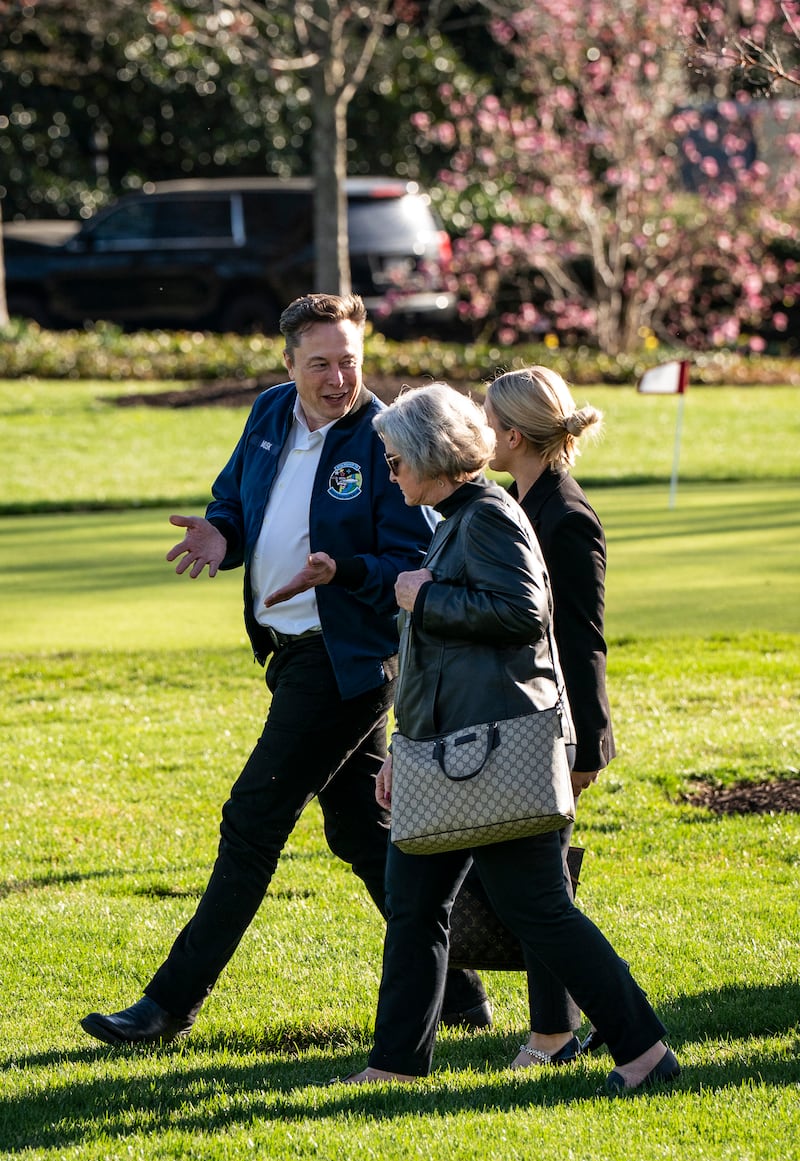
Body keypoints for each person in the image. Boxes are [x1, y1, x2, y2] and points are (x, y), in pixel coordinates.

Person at [80, 293, 488, 1046]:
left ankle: (167, 1004)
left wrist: (342, 570)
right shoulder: (270, 412)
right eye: (322, 363)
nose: (340, 379)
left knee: (253, 818)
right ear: (289, 363)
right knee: (364, 835)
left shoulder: (387, 434)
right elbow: (236, 501)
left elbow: (410, 561)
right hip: (288, 653)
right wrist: (220, 534)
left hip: (346, 664)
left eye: (351, 362)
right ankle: (461, 993)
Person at [340, 382, 679, 1093]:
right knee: (415, 905)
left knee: (537, 911)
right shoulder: (456, 516)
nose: (392, 470)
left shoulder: (488, 514)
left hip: (491, 753)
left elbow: (522, 611)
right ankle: (394, 1064)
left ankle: (644, 1051)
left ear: (434, 457)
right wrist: (403, 747)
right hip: (449, 751)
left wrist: (422, 594)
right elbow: (439, 660)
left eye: (398, 459)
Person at [481, 365, 615, 1068]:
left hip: (557, 729)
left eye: (487, 422)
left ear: (512, 434)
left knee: (539, 889)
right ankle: (580, 1018)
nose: (480, 432)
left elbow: (583, 638)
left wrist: (587, 743)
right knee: (541, 885)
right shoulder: (515, 502)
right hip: (521, 719)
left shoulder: (566, 517)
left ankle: (554, 1035)